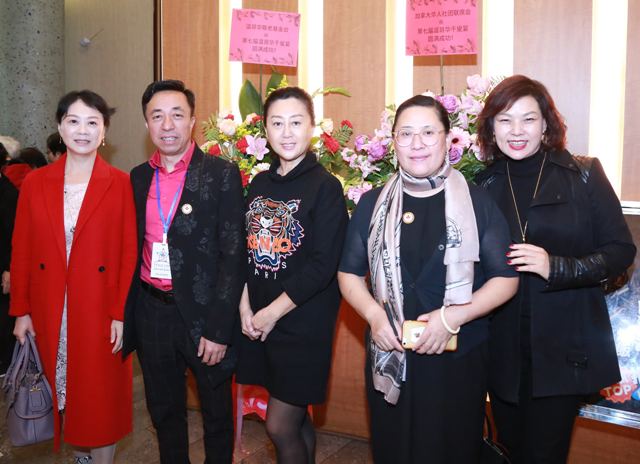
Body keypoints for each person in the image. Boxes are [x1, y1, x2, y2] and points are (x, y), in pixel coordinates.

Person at [338, 95, 519, 463]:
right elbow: (349, 273)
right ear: (393, 142)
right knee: (393, 450)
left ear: (447, 139)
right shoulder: (372, 204)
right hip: (390, 351)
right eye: (405, 134)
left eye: (428, 132)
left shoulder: (477, 203)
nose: (416, 143)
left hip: (458, 358)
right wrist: (374, 316)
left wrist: (451, 318)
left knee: (450, 449)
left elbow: (505, 279)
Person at [475, 75, 636, 464]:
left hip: (563, 349)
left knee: (545, 453)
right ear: (491, 128)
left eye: (528, 119)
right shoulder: (483, 184)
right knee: (509, 449)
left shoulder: (583, 173)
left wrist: (557, 267)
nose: (517, 131)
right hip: (503, 349)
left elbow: (620, 251)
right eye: (505, 120)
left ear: (546, 124)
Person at [10, 90, 138, 464]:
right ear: (60, 127)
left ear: (104, 132)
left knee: (101, 397)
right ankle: (81, 454)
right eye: (74, 121)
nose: (83, 130)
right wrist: (21, 310)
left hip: (99, 309)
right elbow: (22, 249)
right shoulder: (35, 182)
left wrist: (121, 313)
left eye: (92, 122)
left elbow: (128, 254)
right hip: (50, 307)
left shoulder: (120, 183)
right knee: (62, 391)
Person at [122, 79, 246, 464]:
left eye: (177, 115)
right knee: (164, 411)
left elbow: (233, 256)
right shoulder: (138, 177)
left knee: (216, 413)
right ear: (146, 124)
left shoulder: (220, 174)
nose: (167, 125)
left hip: (205, 315)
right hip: (152, 311)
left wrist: (219, 328)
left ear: (192, 121)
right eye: (157, 116)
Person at [236, 87, 349, 464]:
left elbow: (322, 265)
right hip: (261, 318)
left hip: (302, 322)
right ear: (265, 130)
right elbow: (246, 250)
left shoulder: (325, 187)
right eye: (277, 123)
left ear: (312, 127)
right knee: (297, 420)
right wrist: (244, 306)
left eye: (296, 122)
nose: (287, 133)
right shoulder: (259, 183)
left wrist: (271, 312)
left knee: (279, 425)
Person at [0, 171, 18, 375]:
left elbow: (14, 234)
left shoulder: (9, 193)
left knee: (4, 314)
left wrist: (9, 268)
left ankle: (6, 361)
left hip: (4, 264)